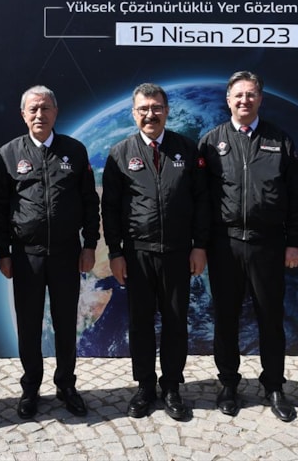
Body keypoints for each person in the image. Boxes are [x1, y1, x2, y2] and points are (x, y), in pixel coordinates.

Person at [198, 71, 298, 422]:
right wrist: (200, 245)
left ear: (260, 99)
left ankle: (274, 386)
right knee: (226, 319)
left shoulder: (280, 140)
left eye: (251, 94)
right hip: (225, 245)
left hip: (268, 244)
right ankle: (228, 384)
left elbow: (297, 197)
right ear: (228, 100)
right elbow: (200, 200)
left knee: (270, 318)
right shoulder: (211, 142)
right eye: (238, 95)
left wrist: (295, 243)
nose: (244, 100)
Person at [0, 85, 100, 419]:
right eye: (33, 109)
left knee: (66, 322)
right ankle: (31, 387)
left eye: (46, 108)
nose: (40, 114)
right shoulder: (8, 154)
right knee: (29, 324)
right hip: (27, 256)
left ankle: (66, 384)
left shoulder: (74, 151)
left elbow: (89, 202)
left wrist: (90, 245)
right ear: (23, 115)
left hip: (67, 254)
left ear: (56, 112)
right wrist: (3, 253)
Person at [101, 82, 208, 420]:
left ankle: (172, 386)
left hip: (178, 252)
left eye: (156, 108)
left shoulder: (186, 149)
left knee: (176, 322)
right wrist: (115, 253)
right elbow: (110, 208)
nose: (150, 114)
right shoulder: (120, 153)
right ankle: (145, 386)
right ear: (134, 114)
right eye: (143, 109)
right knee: (141, 323)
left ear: (167, 111)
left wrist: (199, 246)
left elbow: (201, 202)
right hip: (137, 255)